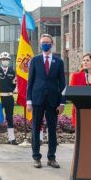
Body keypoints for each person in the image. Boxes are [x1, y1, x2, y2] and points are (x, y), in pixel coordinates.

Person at [27, 34, 66, 169]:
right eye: (43, 42)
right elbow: (30, 82)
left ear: (52, 44)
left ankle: (52, 157)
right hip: (37, 100)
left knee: (52, 130)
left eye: (48, 43)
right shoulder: (35, 60)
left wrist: (62, 102)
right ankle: (36, 157)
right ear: (40, 44)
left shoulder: (59, 62)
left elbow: (62, 84)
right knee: (35, 129)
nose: (46, 45)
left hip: (53, 101)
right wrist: (28, 101)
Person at [0, 52, 18, 145]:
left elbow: (14, 85)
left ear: (9, 61)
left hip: (9, 97)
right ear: (0, 61)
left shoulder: (12, 72)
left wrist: (9, 91)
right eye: (3, 59)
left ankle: (12, 139)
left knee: (9, 118)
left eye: (7, 60)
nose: (5, 61)